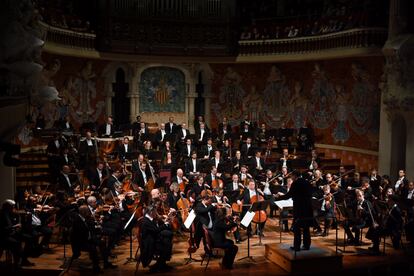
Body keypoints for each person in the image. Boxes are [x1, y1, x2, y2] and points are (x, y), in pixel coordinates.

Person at [275, 171, 313, 251]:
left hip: (299, 208)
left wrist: (278, 198)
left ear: (295, 176)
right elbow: (311, 193)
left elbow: (288, 195)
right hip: (308, 207)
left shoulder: (295, 183)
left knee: (297, 227)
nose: (291, 177)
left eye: (292, 176)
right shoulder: (307, 182)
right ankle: (307, 245)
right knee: (306, 227)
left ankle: (297, 247)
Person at [140, 205, 174, 273]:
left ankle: (162, 264)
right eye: (155, 212)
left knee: (168, 239)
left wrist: (165, 223)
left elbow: (156, 229)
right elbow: (156, 230)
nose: (156, 213)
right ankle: (158, 266)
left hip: (154, 239)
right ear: (151, 212)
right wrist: (165, 224)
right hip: (150, 243)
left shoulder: (150, 219)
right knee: (166, 246)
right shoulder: (145, 221)